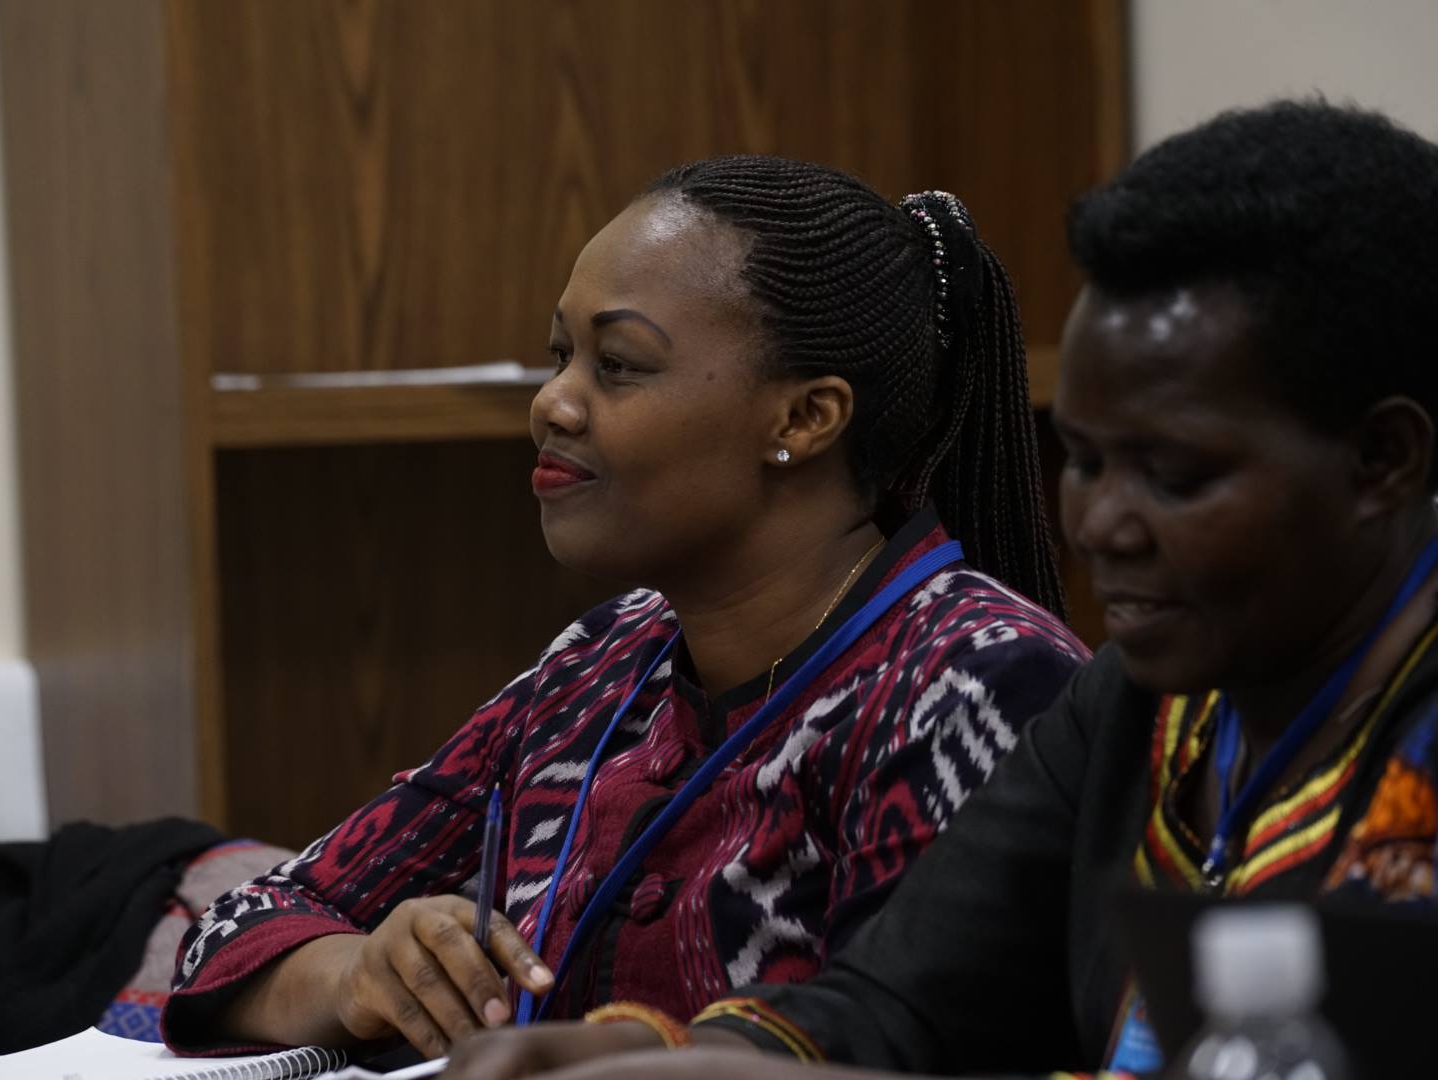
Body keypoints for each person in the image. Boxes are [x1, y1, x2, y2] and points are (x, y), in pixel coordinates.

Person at [435, 101, 1438, 1080]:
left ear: (1382, 459)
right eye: (1082, 461)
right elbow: (896, 1002)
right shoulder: (1136, 705)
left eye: (1172, 476)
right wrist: (655, 1051)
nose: (1099, 525)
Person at [161, 156, 1088, 1060]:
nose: (551, 404)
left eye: (619, 364)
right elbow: (238, 927)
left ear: (805, 419)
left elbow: (902, 1046)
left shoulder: (975, 680)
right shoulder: (607, 657)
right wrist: (362, 972)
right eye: (561, 355)